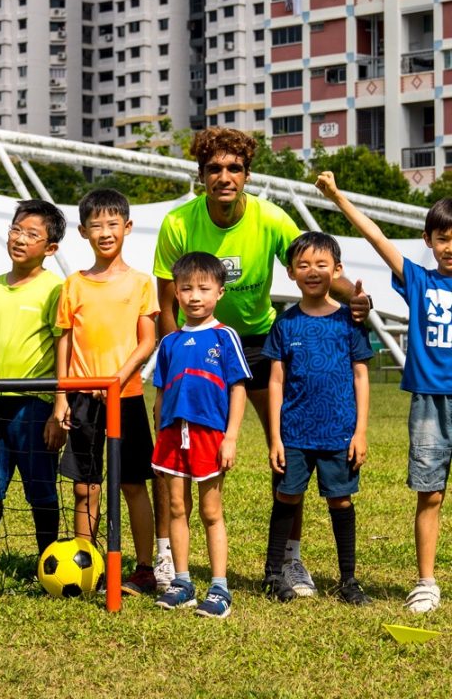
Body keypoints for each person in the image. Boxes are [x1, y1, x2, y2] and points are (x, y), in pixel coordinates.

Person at [153, 126, 367, 596]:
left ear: (247, 174)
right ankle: (168, 554)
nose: (224, 176)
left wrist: (357, 298)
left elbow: (315, 265)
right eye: (214, 168)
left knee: (285, 449)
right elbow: (166, 301)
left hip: (260, 342)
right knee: (174, 449)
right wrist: (178, 357)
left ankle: (290, 560)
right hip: (199, 345)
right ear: (202, 175)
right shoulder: (177, 224)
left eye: (234, 168)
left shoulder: (271, 219)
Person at [316, 173, 452, 614]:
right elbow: (374, 236)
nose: (450, 246)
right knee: (429, 493)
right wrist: (337, 197)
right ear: (427, 240)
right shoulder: (418, 280)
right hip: (430, 401)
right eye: (443, 238)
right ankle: (426, 582)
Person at [53, 188, 158, 595]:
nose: (105, 231)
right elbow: (64, 342)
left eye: (113, 223)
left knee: (133, 484)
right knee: (86, 485)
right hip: (81, 398)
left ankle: (145, 568)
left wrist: (116, 378)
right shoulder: (73, 285)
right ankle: (88, 565)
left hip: (126, 397)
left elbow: (146, 341)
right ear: (83, 232)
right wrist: (62, 396)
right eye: (96, 225)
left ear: (127, 227)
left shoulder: (141, 283)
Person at [262, 232, 372, 605]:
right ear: (291, 272)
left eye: (322, 264)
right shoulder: (285, 323)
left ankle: (348, 580)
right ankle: (274, 575)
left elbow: (361, 376)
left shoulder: (349, 322)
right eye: (303, 265)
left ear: (337, 270)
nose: (312, 271)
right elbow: (275, 380)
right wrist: (276, 437)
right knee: (288, 495)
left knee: (340, 501)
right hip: (294, 432)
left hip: (339, 433)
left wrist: (360, 432)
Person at [152, 252, 250, 618]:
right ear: (175, 293)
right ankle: (182, 581)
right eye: (187, 288)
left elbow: (238, 388)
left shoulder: (225, 337)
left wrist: (232, 437)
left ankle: (220, 587)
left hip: (210, 435)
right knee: (177, 507)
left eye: (204, 289)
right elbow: (161, 394)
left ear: (220, 293)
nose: (195, 296)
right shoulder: (170, 342)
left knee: (211, 511)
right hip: (173, 436)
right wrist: (161, 434)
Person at [0, 199, 67, 567]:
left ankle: (49, 558)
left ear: (50, 248)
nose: (20, 239)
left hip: (34, 405)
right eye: (16, 230)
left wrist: (59, 406)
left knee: (40, 485)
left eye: (32, 234)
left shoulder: (56, 289)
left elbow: (64, 349)